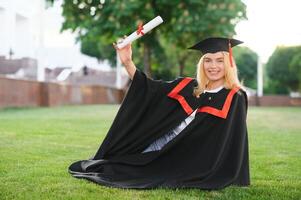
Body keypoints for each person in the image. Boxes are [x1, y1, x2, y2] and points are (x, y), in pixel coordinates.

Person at [68, 37, 250, 190]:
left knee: (139, 171)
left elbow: (233, 140)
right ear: (202, 64)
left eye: (220, 60)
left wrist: (221, 172)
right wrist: (127, 62)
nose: (213, 66)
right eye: (208, 60)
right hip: (162, 145)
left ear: (229, 64)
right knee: (115, 165)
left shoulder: (235, 97)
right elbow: (151, 88)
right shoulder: (191, 87)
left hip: (188, 158)